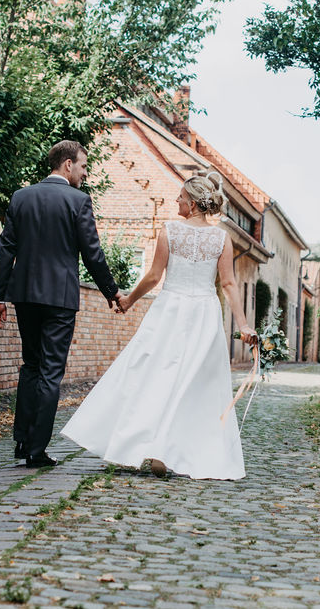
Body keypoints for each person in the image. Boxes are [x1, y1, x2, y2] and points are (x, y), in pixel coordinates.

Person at [60, 171, 258, 480]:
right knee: (194, 384)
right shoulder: (222, 238)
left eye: (181, 197)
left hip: (170, 310)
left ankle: (152, 447)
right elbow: (230, 284)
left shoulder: (169, 231)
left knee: (150, 374)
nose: (177, 201)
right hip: (204, 313)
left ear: (192, 203)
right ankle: (167, 449)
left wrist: (128, 301)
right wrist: (244, 325)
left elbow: (154, 277)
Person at [0, 140, 128, 468]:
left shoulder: (21, 198)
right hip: (60, 299)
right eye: (82, 166)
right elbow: (92, 252)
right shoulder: (78, 201)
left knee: (31, 365)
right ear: (67, 164)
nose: (84, 172)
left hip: (24, 295)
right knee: (51, 371)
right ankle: (37, 449)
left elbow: (6, 248)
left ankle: (22, 441)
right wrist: (112, 292)